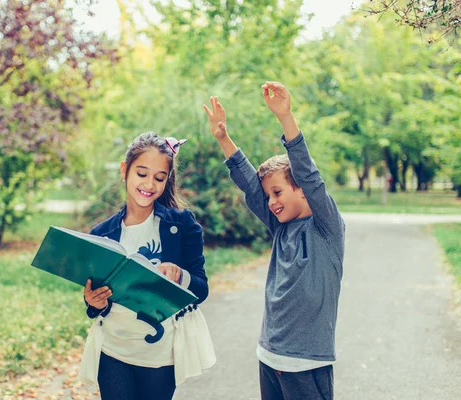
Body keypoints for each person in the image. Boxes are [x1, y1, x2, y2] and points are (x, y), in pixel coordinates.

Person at [203, 82, 345, 400]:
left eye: (277, 192)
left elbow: (308, 172)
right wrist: (223, 138)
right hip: (269, 356)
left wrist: (285, 117)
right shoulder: (280, 228)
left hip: (306, 363)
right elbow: (249, 185)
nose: (271, 202)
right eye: (269, 196)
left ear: (302, 190)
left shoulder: (326, 226)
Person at [81, 132, 211, 400]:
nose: (149, 184)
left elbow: (201, 289)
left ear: (167, 180)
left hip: (160, 357)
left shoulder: (181, 225)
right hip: (113, 352)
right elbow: (98, 300)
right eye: (142, 174)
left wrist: (180, 275)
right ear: (124, 170)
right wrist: (94, 302)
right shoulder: (102, 233)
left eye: (159, 178)